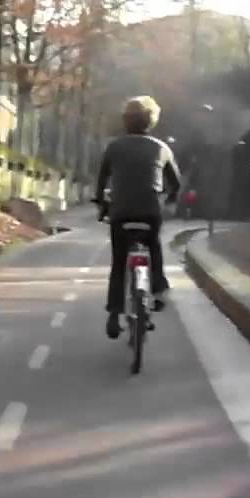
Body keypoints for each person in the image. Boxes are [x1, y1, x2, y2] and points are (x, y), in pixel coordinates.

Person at [94, 96, 181, 340]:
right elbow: (175, 183)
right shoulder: (162, 148)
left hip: (120, 212)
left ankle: (114, 314)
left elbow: (101, 182)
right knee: (154, 245)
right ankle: (158, 290)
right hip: (150, 211)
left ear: (125, 121)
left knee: (119, 261)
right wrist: (169, 200)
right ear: (151, 121)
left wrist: (102, 205)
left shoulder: (114, 147)